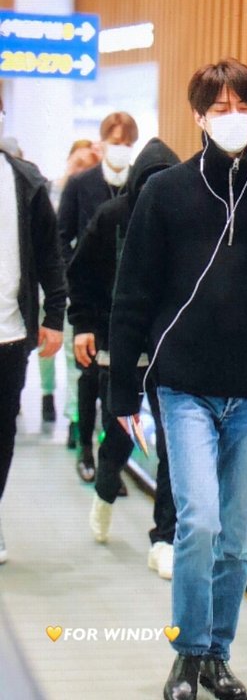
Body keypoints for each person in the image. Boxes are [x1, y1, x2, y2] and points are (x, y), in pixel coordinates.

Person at [108, 58, 247, 700]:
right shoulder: (165, 193)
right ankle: (187, 652)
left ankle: (215, 656)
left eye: (244, 106)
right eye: (220, 108)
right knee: (198, 522)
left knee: (233, 539)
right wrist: (123, 386)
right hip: (183, 389)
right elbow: (132, 293)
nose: (234, 117)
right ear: (199, 117)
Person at [67, 137, 180, 579]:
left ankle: (164, 538)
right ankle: (105, 487)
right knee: (121, 436)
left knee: (173, 447)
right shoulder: (112, 216)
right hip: (121, 349)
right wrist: (84, 325)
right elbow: (81, 273)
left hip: (171, 353)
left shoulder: (185, 220)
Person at [0, 95, 66, 564]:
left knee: (2, 431)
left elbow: (49, 254)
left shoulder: (25, 181)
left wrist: (54, 316)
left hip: (9, 333)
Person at [57, 112, 138, 483]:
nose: (121, 149)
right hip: (90, 294)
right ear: (102, 142)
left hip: (127, 299)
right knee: (89, 375)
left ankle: (111, 460)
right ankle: (86, 449)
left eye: (127, 143)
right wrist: (73, 273)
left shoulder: (139, 185)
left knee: (118, 381)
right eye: (115, 142)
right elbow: (62, 236)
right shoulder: (81, 184)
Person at [39, 140, 101, 431]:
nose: (80, 171)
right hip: (44, 285)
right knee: (45, 347)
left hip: (73, 285)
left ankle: (75, 416)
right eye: (77, 164)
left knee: (71, 349)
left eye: (87, 167)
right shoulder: (47, 191)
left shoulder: (88, 196)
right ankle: (47, 393)